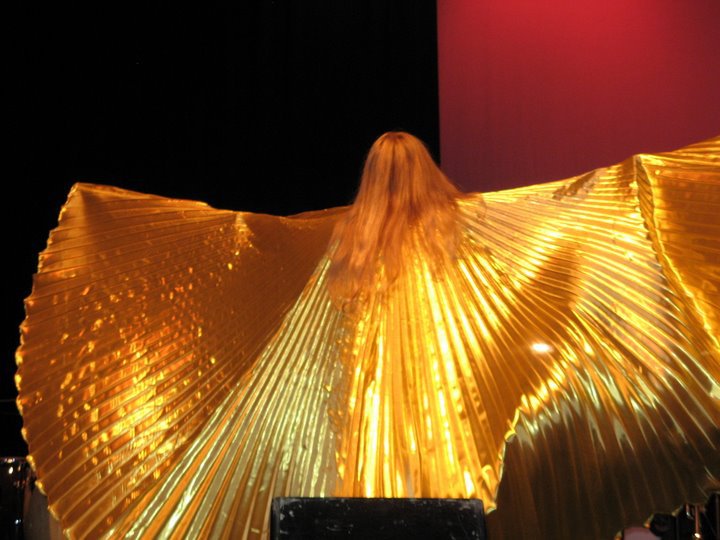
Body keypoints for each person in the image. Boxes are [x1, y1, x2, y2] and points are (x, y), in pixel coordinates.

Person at [15, 133, 720, 538]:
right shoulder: (467, 235)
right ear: (429, 174)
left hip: (353, 443)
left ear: (370, 179)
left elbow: (250, 241)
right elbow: (567, 219)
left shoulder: (337, 248)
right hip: (447, 436)